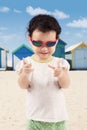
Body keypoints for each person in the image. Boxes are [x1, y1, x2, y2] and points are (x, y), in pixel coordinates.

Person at [16, 14, 71, 130]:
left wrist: (61, 74)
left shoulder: (61, 63)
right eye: (38, 43)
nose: (44, 48)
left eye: (50, 43)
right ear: (30, 39)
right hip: (35, 119)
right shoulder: (26, 63)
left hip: (58, 119)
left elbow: (65, 85)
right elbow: (23, 85)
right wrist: (25, 73)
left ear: (57, 40)